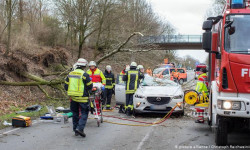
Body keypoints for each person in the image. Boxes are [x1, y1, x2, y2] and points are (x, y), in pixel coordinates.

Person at [64, 58, 93, 137]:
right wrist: (89, 91)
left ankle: (75, 130)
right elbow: (90, 85)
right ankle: (80, 128)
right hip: (82, 98)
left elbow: (66, 86)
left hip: (73, 98)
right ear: (84, 66)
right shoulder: (84, 75)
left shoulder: (70, 74)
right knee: (84, 113)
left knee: (75, 113)